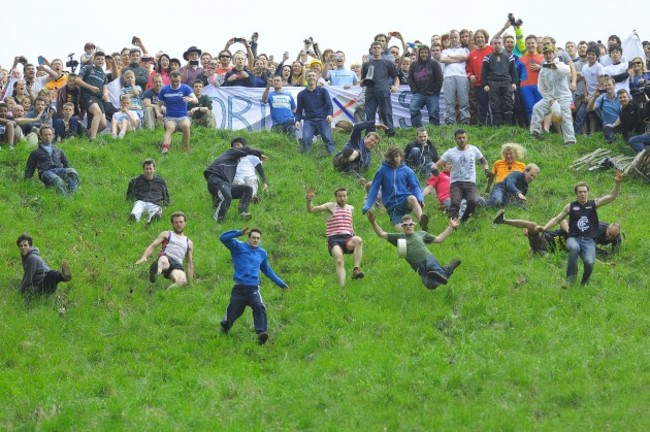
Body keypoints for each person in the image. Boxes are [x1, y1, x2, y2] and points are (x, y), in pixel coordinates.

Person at [538, 171, 623, 286]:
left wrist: (617, 183)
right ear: (576, 193)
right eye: (580, 192)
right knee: (573, 248)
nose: (583, 194)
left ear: (588, 193)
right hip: (574, 238)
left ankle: (585, 282)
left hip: (589, 240)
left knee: (589, 262)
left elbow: (612, 196)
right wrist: (544, 228)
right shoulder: (570, 206)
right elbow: (557, 219)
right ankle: (570, 280)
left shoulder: (593, 204)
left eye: (585, 192)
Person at [219, 227, 288, 345]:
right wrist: (238, 233)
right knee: (232, 314)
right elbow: (223, 238)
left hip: (253, 289)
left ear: (260, 240)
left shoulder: (262, 253)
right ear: (248, 238)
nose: (256, 240)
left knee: (259, 306)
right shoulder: (238, 247)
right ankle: (225, 327)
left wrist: (281, 283)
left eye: (258, 238)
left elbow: (267, 270)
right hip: (239, 289)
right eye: (253, 238)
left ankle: (262, 334)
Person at [367, 212, 461, 289]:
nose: (408, 226)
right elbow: (381, 234)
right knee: (431, 285)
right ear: (402, 226)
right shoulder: (399, 238)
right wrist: (373, 222)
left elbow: (439, 239)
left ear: (414, 225)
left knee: (432, 267)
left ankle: (442, 272)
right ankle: (447, 270)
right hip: (419, 268)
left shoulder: (421, 234)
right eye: (405, 225)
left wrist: (451, 227)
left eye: (410, 224)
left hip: (427, 258)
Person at [494, 209, 622, 257]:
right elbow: (562, 220)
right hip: (545, 239)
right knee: (532, 225)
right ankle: (503, 220)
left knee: (546, 258)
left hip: (548, 252)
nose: (609, 237)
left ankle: (532, 249)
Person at [306, 187, 365, 286]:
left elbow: (349, 223)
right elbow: (311, 210)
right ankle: (342, 287)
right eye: (340, 196)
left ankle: (356, 269)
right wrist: (309, 200)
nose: (342, 198)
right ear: (336, 197)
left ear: (347, 196)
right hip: (334, 239)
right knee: (339, 260)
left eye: (344, 196)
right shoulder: (331, 206)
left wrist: (352, 232)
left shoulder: (351, 208)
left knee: (358, 240)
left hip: (348, 238)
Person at [362, 147, 428, 231]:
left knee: (412, 198)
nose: (395, 159)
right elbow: (374, 187)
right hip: (392, 207)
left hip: (404, 199)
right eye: (392, 157)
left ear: (401, 157)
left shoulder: (407, 171)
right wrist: (368, 204)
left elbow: (415, 186)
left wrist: (420, 199)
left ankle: (421, 221)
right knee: (400, 230)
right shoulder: (382, 170)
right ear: (388, 158)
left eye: (397, 156)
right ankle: (410, 231)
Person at [203, 138, 267, 223]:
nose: (236, 147)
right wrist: (259, 154)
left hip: (225, 184)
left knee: (247, 189)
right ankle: (218, 222)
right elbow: (247, 150)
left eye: (238, 145)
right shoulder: (230, 152)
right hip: (216, 179)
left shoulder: (234, 162)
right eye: (235, 146)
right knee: (226, 196)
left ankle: (243, 212)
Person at [433, 129, 490, 222]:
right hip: (456, 183)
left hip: (470, 183)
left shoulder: (474, 149)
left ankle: (463, 220)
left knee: (473, 202)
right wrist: (434, 171)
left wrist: (486, 170)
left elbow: (484, 161)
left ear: (467, 138)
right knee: (455, 203)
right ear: (455, 139)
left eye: (464, 137)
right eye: (459, 138)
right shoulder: (450, 152)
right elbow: (436, 165)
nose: (462, 140)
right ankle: (452, 226)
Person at [529, 44, 576, 145]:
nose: (548, 55)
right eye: (546, 54)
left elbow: (567, 70)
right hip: (550, 98)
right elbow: (541, 88)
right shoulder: (543, 70)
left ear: (553, 54)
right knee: (537, 107)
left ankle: (570, 140)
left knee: (565, 116)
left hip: (564, 97)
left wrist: (549, 65)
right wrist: (550, 99)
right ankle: (535, 132)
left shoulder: (560, 64)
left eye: (550, 53)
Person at [135, 211, 194, 289]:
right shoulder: (167, 234)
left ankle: (166, 294)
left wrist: (191, 282)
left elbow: (189, 263)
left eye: (181, 222)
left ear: (185, 223)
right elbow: (153, 246)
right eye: (176, 222)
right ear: (172, 224)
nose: (179, 224)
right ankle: (156, 272)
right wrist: (144, 257)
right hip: (166, 257)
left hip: (177, 265)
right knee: (163, 260)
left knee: (182, 281)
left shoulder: (188, 242)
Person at [24, 126, 79, 196]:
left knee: (72, 171)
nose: (48, 137)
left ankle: (74, 194)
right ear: (40, 136)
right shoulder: (35, 152)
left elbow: (67, 165)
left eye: (50, 134)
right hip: (46, 172)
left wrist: (68, 174)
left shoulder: (59, 150)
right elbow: (29, 169)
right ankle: (66, 200)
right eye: (45, 134)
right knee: (58, 180)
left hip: (59, 170)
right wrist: (26, 183)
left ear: (53, 136)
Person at [362, 41, 399, 136]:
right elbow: (362, 80)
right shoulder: (366, 65)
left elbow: (395, 77)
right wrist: (363, 82)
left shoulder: (388, 63)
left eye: (378, 47)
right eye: (374, 48)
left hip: (384, 91)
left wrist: (396, 86)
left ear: (382, 50)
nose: (376, 49)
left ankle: (390, 133)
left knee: (386, 113)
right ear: (371, 50)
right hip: (370, 93)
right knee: (370, 115)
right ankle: (370, 134)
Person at [294, 70, 335, 154]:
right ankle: (306, 160)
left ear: (316, 78)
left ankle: (333, 157)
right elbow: (299, 110)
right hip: (309, 120)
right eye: (309, 76)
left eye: (313, 75)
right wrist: (297, 120)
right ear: (306, 78)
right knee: (306, 139)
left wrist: (330, 115)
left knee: (327, 139)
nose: (311, 77)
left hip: (323, 119)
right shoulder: (301, 94)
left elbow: (329, 105)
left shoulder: (323, 91)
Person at [157, 70, 197, 154]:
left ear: (181, 79)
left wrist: (190, 99)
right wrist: (158, 113)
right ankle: (165, 149)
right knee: (170, 128)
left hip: (183, 117)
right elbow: (158, 105)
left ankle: (185, 149)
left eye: (177, 81)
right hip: (169, 118)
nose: (175, 83)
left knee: (186, 126)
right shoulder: (164, 90)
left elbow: (196, 100)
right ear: (169, 79)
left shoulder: (185, 88)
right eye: (173, 81)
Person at [482, 37, 519, 126]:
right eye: (495, 43)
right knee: (495, 105)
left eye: (499, 43)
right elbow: (484, 72)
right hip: (492, 83)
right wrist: (485, 84)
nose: (497, 45)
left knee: (508, 104)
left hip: (506, 83)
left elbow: (513, 72)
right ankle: (497, 126)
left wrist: (514, 83)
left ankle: (508, 126)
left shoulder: (509, 57)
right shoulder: (487, 57)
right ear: (492, 45)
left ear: (502, 44)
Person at [75, 52, 108, 141]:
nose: (100, 61)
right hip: (87, 96)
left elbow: (105, 87)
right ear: (94, 59)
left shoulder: (103, 74)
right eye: (98, 59)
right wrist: (91, 87)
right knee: (98, 113)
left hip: (98, 99)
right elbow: (77, 80)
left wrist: (105, 95)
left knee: (103, 124)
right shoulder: (87, 68)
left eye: (102, 59)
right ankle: (93, 139)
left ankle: (86, 137)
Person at [408, 45, 443, 127]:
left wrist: (435, 91)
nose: (424, 54)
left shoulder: (435, 64)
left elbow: (440, 79)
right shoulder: (413, 65)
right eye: (422, 53)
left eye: (426, 53)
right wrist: (415, 91)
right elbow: (411, 79)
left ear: (429, 53)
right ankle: (417, 130)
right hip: (419, 93)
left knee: (433, 113)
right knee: (413, 109)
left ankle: (434, 132)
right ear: (419, 54)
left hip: (432, 94)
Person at [126, 158, 170, 224]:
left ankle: (151, 221)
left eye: (150, 169)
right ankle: (134, 218)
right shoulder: (136, 180)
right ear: (143, 169)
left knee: (155, 212)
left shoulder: (160, 181)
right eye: (146, 169)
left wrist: (166, 204)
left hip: (155, 202)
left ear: (154, 169)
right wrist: (129, 200)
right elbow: (129, 193)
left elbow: (165, 195)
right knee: (137, 209)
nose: (148, 171)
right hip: (141, 201)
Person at [440, 30, 470, 125]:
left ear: (459, 38)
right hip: (448, 76)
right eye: (451, 37)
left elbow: (464, 57)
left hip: (462, 76)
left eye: (455, 37)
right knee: (449, 101)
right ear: (449, 39)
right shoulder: (445, 51)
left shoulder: (464, 50)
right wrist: (457, 60)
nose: (453, 39)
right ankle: (450, 122)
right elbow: (443, 59)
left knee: (463, 101)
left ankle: (465, 121)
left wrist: (450, 58)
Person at [587, 77, 620, 144]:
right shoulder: (601, 98)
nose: (607, 87)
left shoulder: (620, 96)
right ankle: (613, 143)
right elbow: (589, 109)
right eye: (605, 85)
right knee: (608, 132)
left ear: (614, 85)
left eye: (609, 85)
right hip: (608, 126)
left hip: (621, 123)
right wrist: (594, 97)